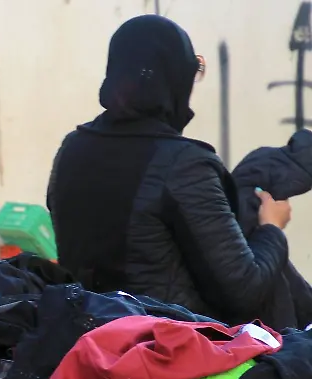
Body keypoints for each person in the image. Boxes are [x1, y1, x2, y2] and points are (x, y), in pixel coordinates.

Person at [46, 15, 292, 325]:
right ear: (175, 81)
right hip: (165, 343)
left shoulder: (72, 149)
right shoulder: (184, 164)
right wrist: (272, 228)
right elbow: (244, 290)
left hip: (85, 335)